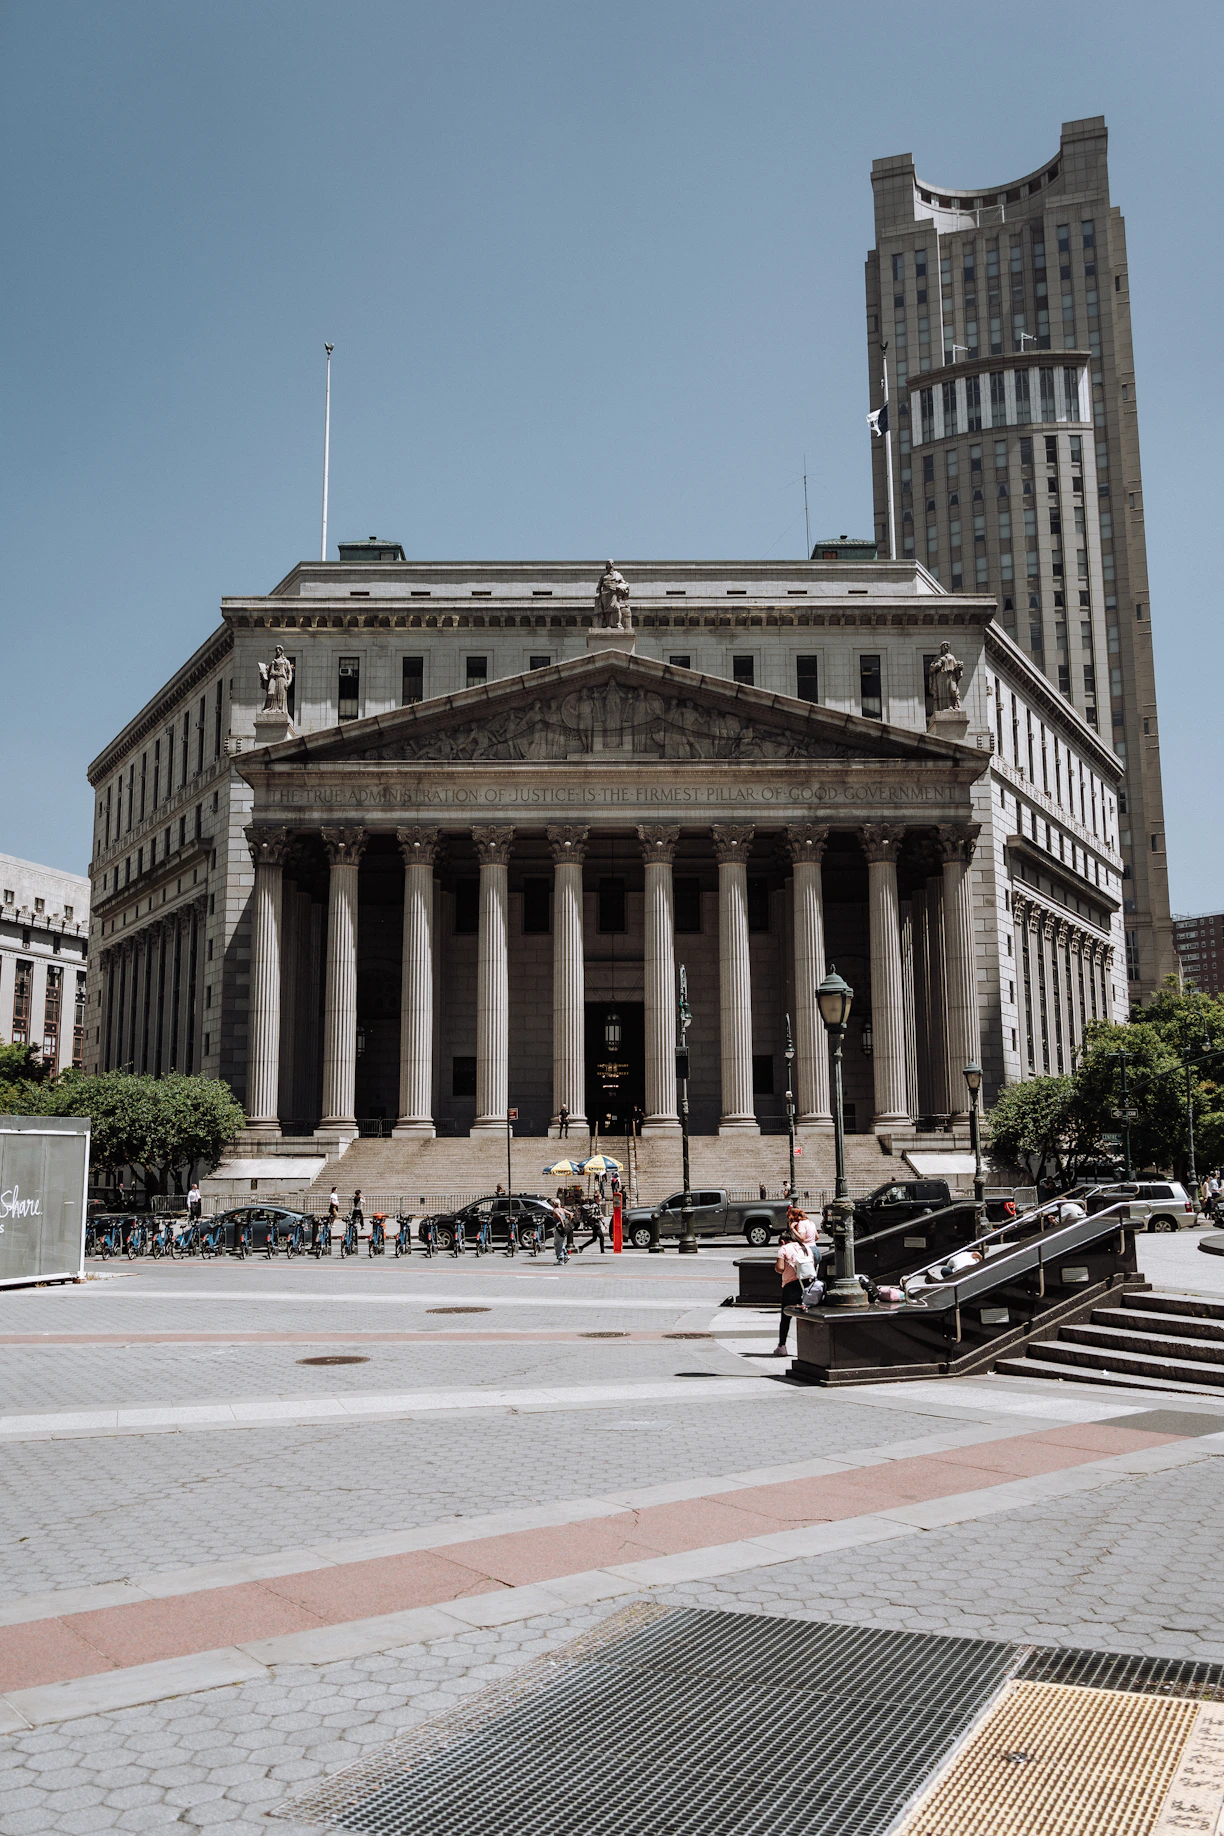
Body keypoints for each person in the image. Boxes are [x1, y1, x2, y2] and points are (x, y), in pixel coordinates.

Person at [772, 1230, 816, 1357]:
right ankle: (811, 1346)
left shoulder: (784, 1249)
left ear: (782, 1241)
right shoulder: (806, 1247)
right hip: (808, 1285)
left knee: (786, 1317)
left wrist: (777, 1266)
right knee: (808, 1316)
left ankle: (782, 1347)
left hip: (790, 1286)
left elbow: (780, 1268)